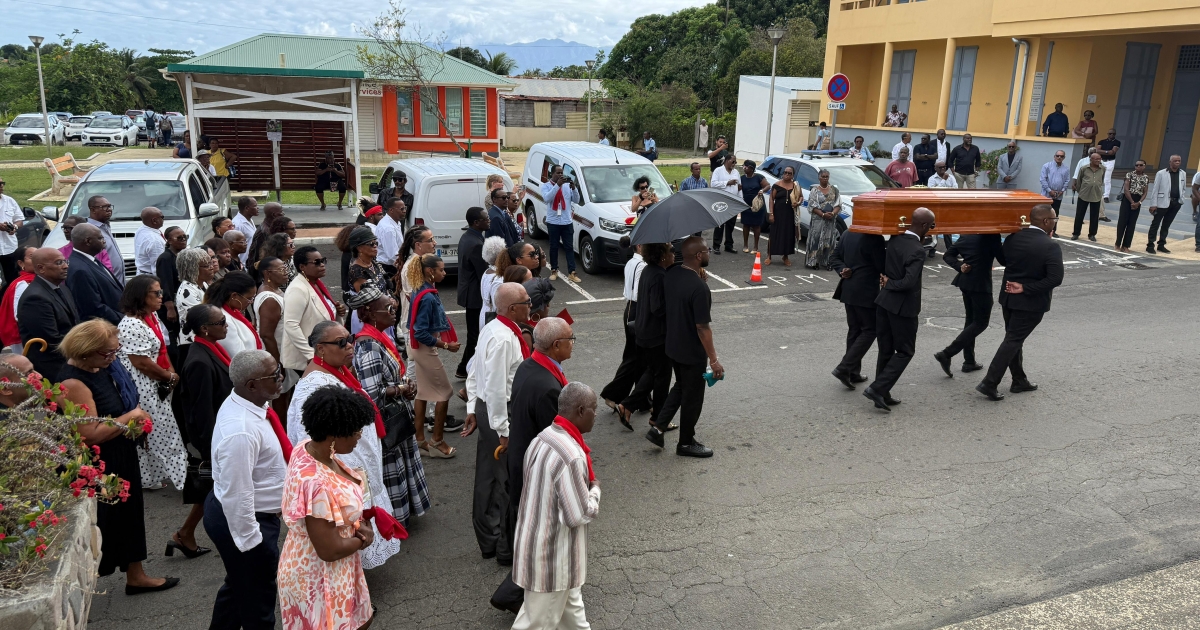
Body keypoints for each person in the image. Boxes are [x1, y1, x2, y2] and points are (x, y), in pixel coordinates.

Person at [57, 320, 179, 595]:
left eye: (116, 349)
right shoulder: (73, 382)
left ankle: (136, 575)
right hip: (99, 461)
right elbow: (89, 433)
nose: (115, 355)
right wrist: (131, 417)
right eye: (109, 352)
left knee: (130, 515)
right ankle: (83, 589)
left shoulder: (105, 365)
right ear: (86, 351)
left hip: (120, 451)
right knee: (103, 523)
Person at [286, 320, 402, 569]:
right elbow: (316, 439)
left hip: (356, 469)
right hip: (343, 477)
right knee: (346, 540)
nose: (350, 345)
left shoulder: (335, 370)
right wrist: (349, 480)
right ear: (320, 349)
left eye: (349, 338)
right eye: (341, 343)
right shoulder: (313, 387)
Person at [491, 316, 574, 614]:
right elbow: (556, 438)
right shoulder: (547, 386)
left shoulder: (531, 366)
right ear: (556, 345)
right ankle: (513, 593)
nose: (573, 344)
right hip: (537, 472)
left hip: (521, 460)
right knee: (545, 537)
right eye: (570, 339)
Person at [279, 385, 379, 630]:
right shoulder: (316, 484)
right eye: (355, 431)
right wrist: (365, 539)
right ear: (334, 435)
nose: (359, 437)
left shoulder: (306, 448)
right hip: (319, 574)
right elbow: (329, 550)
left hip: (330, 564)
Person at [204, 349, 287, 629]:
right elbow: (236, 496)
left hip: (252, 516)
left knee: (239, 588)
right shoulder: (240, 431)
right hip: (245, 523)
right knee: (258, 604)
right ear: (252, 385)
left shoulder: (251, 404)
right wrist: (255, 545)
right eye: (274, 375)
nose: (281, 378)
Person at [510, 382, 600, 629]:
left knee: (574, 620)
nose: (596, 414)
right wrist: (595, 492)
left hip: (538, 545)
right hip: (552, 559)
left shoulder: (542, 438)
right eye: (594, 408)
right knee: (535, 623)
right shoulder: (571, 455)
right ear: (581, 411)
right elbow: (578, 514)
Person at [464, 283, 531, 567]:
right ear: (512, 308)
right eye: (526, 302)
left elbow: (474, 371)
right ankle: (504, 548)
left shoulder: (493, 329)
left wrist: (472, 409)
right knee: (505, 483)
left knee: (488, 480)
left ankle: (489, 541)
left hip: (487, 410)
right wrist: (503, 430)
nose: (531, 305)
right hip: (499, 412)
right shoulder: (505, 338)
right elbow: (493, 387)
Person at [350, 286, 430, 525]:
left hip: (397, 412)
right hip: (387, 421)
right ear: (371, 313)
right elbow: (371, 393)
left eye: (393, 306)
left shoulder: (380, 336)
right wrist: (400, 390)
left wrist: (404, 384)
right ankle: (395, 518)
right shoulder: (369, 346)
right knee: (392, 466)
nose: (393, 311)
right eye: (388, 308)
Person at [976, 205, 1062, 400]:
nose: (1055, 223)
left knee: (1014, 339)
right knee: (1013, 340)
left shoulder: (1014, 238)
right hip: (1030, 303)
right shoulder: (1050, 246)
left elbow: (1005, 260)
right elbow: (1055, 278)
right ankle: (989, 382)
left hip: (1008, 298)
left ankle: (1019, 380)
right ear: (1046, 222)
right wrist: (1026, 288)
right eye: (1054, 220)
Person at [646, 236, 720, 457]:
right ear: (698, 256)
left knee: (680, 387)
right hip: (691, 352)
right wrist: (714, 360)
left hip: (673, 346)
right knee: (693, 398)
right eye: (706, 251)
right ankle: (686, 443)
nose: (708, 253)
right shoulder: (699, 288)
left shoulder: (672, 273)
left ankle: (658, 427)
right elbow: (702, 328)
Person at [118, 275, 187, 491]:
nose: (161, 297)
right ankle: (158, 477)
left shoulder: (150, 316)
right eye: (155, 293)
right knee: (154, 432)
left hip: (153, 384)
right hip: (143, 387)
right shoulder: (131, 324)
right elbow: (141, 362)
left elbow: (160, 351)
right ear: (140, 296)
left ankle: (159, 474)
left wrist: (170, 372)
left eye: (161, 293)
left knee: (160, 431)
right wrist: (169, 377)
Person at [863, 207, 935, 413]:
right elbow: (908, 282)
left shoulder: (895, 239)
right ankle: (877, 389)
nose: (931, 230)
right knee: (905, 351)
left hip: (884, 303)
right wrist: (890, 283)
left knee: (885, 349)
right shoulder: (918, 250)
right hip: (902, 308)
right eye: (931, 226)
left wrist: (886, 282)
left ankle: (882, 392)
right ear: (923, 225)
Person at [176, 304, 232, 559]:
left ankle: (185, 532)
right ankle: (185, 532)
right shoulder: (199, 361)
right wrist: (212, 445)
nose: (226, 324)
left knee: (218, 486)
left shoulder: (211, 349)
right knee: (216, 486)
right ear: (204, 329)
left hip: (223, 429)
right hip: (214, 435)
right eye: (221, 322)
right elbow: (201, 410)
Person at [407, 254, 461, 458]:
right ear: (430, 271)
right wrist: (446, 345)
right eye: (441, 269)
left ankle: (419, 439)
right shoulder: (428, 296)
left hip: (418, 348)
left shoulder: (420, 289)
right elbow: (420, 331)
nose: (444, 272)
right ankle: (437, 441)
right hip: (424, 348)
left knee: (422, 392)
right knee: (445, 392)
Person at [933, 234, 1006, 376]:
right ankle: (947, 353)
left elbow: (948, 255)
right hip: (980, 284)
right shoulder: (992, 236)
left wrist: (960, 266)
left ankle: (969, 361)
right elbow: (1003, 260)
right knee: (981, 323)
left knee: (971, 321)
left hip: (965, 282)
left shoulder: (967, 235)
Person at [829, 231, 885, 389]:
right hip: (865, 291)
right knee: (870, 330)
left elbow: (834, 257)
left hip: (849, 289)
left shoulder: (848, 233)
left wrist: (842, 269)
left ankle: (852, 372)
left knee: (854, 330)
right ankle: (844, 367)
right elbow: (881, 265)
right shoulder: (875, 238)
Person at [601, 239, 647, 421]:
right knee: (634, 357)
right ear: (640, 245)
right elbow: (637, 293)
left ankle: (643, 400)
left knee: (639, 358)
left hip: (630, 309)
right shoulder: (642, 266)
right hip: (637, 310)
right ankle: (612, 394)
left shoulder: (631, 262)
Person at [282, 246, 346, 375]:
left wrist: (338, 313)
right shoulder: (297, 289)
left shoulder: (316, 283)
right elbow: (291, 325)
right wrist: (310, 354)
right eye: (317, 262)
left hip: (322, 351)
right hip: (307, 357)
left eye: (323, 261)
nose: (322, 265)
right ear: (302, 267)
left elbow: (324, 314)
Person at [18, 248, 78, 381]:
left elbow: (74, 323)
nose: (66, 266)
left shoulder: (62, 287)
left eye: (65, 261)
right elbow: (51, 340)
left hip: (69, 362)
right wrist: (84, 350)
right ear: (41, 268)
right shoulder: (35, 299)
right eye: (59, 263)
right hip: (53, 370)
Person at [252, 256, 297, 415]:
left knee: (288, 394)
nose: (286, 272)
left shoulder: (275, 290)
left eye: (286, 268)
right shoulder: (269, 298)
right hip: (277, 353)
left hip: (284, 352)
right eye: (282, 270)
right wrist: (277, 364)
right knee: (281, 397)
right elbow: (266, 334)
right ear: (268, 273)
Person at [65, 223, 123, 325]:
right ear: (88, 241)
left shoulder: (90, 259)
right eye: (100, 238)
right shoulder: (80, 270)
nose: (104, 241)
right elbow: (93, 308)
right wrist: (124, 319)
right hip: (107, 327)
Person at [457, 207, 490, 378]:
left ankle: (464, 368)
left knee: (474, 334)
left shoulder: (468, 237)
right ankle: (464, 368)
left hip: (469, 293)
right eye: (485, 218)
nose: (488, 220)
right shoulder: (476, 244)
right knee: (475, 335)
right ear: (476, 222)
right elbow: (483, 273)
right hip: (475, 296)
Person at [203, 272, 261, 357]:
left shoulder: (233, 311)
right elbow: (238, 356)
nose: (251, 302)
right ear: (234, 296)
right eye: (249, 298)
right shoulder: (224, 319)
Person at [344, 227, 389, 333]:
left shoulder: (373, 262)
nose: (375, 246)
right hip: (369, 317)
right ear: (359, 248)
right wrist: (389, 302)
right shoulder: (357, 271)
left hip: (382, 311)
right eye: (371, 244)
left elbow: (385, 285)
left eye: (376, 243)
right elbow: (370, 298)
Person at [540, 166, 580, 281]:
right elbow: (547, 198)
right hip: (553, 221)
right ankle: (554, 270)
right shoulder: (546, 186)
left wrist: (574, 189)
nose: (560, 175)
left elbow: (576, 200)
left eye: (562, 173)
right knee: (554, 246)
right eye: (558, 173)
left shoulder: (567, 186)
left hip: (566, 221)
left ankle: (572, 272)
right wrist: (557, 185)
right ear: (552, 174)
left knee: (569, 247)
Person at [1146, 155, 1189, 255]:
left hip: (1175, 203)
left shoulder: (1183, 173)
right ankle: (1150, 245)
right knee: (1155, 224)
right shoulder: (1161, 173)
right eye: (1175, 161)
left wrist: (1181, 200)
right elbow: (1155, 189)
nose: (1177, 162)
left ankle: (1161, 244)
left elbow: (1183, 188)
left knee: (1166, 225)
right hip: (1162, 203)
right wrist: (1153, 204)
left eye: (1179, 161)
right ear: (1170, 162)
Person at [155, 226, 188, 349]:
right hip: (172, 304)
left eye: (185, 237)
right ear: (169, 240)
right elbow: (165, 283)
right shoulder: (165, 259)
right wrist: (170, 308)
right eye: (179, 238)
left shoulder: (180, 256)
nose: (183, 240)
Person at [174, 247, 214, 349]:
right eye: (206, 265)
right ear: (193, 268)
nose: (211, 267)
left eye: (211, 263)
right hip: (192, 343)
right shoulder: (186, 291)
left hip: (204, 339)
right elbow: (204, 316)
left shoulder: (204, 284)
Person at [805, 168, 843, 270]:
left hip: (830, 220)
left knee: (829, 242)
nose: (825, 179)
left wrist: (833, 213)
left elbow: (838, 204)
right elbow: (812, 206)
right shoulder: (815, 191)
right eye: (823, 177)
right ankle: (814, 262)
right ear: (819, 178)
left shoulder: (835, 190)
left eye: (827, 177)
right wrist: (822, 215)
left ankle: (827, 262)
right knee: (816, 240)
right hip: (818, 220)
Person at [86, 195, 126, 285]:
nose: (109, 209)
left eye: (109, 206)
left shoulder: (105, 226)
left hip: (119, 283)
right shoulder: (90, 230)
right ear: (93, 210)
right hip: (107, 283)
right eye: (104, 207)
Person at [0, 246, 33, 352]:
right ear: (21, 263)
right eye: (32, 257)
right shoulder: (22, 284)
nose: (37, 259)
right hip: (24, 340)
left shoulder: (37, 279)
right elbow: (19, 315)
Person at [766, 165, 799, 267]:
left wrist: (798, 203)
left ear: (793, 175)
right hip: (778, 213)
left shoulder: (795, 186)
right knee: (774, 234)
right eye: (785, 172)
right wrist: (771, 213)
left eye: (789, 173)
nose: (787, 175)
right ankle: (769, 256)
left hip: (789, 214)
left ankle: (785, 256)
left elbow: (801, 197)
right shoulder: (777, 185)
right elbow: (771, 199)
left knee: (788, 235)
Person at [1115, 160, 1149, 253]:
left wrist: (1139, 203)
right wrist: (1132, 202)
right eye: (1136, 165)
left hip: (1138, 201)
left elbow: (1145, 191)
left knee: (1131, 224)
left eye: (1140, 165)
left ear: (1144, 166)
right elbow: (1126, 189)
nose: (1138, 166)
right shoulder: (1129, 174)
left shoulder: (1146, 177)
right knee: (1122, 222)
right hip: (1128, 199)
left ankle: (1126, 245)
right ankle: (1117, 244)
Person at [1071, 151, 1106, 242]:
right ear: (1091, 160)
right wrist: (1080, 191)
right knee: (1079, 215)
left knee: (1094, 217)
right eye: (1096, 159)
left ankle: (1092, 234)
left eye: (1099, 159)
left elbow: (1101, 180)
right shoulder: (1084, 168)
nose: (1098, 160)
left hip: (1096, 195)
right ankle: (1076, 233)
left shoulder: (1103, 169)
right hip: (1084, 194)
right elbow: (1079, 181)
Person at [710, 154, 741, 254]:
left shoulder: (736, 172)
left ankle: (729, 245)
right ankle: (716, 245)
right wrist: (727, 183)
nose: (734, 164)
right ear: (726, 161)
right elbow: (713, 184)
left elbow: (739, 187)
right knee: (720, 224)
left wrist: (740, 200)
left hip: (733, 201)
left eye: (735, 162)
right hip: (721, 201)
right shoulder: (718, 171)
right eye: (733, 162)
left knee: (731, 225)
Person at [0, 178, 25, 292]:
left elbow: (19, 220)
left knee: (13, 279)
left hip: (9, 247)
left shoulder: (9, 201)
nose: (1, 186)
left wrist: (14, 227)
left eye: (2, 183)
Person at [1039, 150, 1071, 236]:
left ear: (1064, 158)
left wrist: (1062, 191)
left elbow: (1067, 181)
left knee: (1055, 214)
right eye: (1058, 156)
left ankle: (1053, 231)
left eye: (1061, 156)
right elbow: (1042, 179)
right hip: (1046, 195)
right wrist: (1050, 191)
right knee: (1044, 213)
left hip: (1058, 196)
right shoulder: (1047, 166)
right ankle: (1042, 230)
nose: (1059, 157)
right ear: (1054, 156)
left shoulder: (1066, 169)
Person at [739, 160, 768, 253]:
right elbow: (739, 188)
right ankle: (745, 245)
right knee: (746, 224)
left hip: (757, 205)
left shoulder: (759, 177)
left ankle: (755, 246)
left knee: (756, 225)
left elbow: (767, 186)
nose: (744, 168)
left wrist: (762, 191)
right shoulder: (742, 178)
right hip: (746, 204)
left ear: (751, 168)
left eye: (746, 167)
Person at [376, 197, 406, 274]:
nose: (404, 211)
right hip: (388, 268)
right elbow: (393, 256)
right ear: (391, 210)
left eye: (405, 208)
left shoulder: (395, 222)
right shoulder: (388, 229)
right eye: (401, 209)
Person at [1097, 129, 1121, 202]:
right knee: (1098, 177)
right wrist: (1107, 152)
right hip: (1101, 161)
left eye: (1113, 134)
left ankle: (1106, 196)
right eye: (1110, 134)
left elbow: (1113, 152)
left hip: (1110, 161)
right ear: (1107, 134)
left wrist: (1103, 152)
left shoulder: (1117, 142)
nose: (1111, 135)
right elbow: (1097, 150)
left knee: (1107, 179)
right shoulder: (1102, 141)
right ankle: (1096, 193)